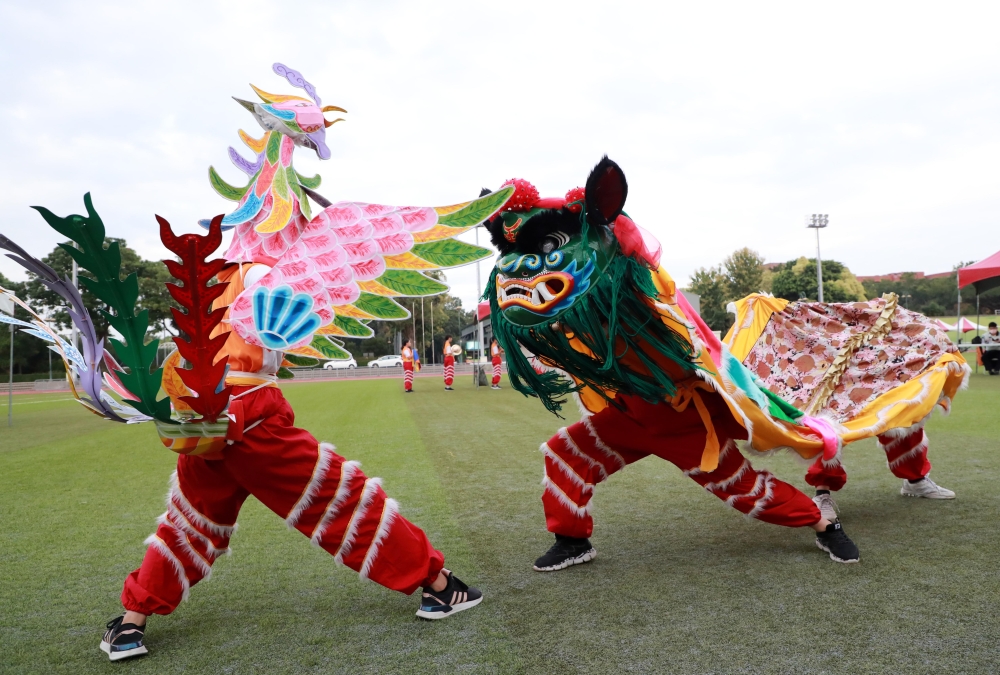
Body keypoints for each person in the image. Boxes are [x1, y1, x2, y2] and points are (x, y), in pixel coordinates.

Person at [103, 266, 481, 661]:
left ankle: (131, 623)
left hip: (203, 415)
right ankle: (438, 585)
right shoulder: (262, 270)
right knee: (344, 501)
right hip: (251, 418)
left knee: (190, 525)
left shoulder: (215, 279)